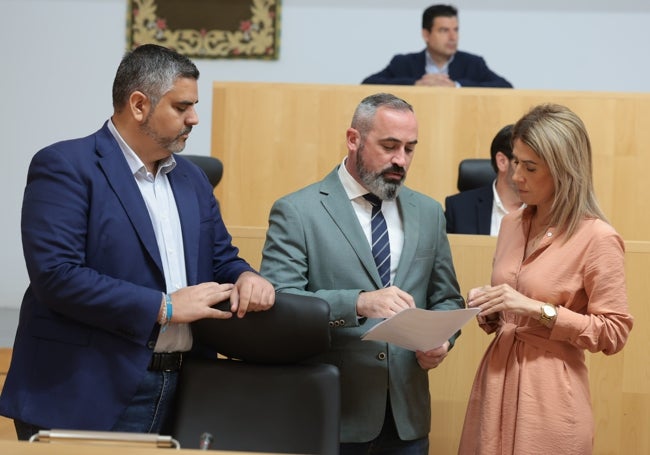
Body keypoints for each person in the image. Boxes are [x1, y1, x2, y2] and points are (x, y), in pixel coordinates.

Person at [0, 44, 275, 440]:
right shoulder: (66, 166)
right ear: (139, 104)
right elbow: (57, 276)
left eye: (194, 106)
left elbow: (220, 258)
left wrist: (247, 275)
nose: (194, 118)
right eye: (182, 107)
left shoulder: (193, 178)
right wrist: (163, 306)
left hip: (184, 387)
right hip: (85, 388)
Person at [260, 92, 465, 454]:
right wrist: (360, 303)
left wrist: (443, 340)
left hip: (407, 421)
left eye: (409, 148)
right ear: (353, 139)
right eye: (389, 146)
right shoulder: (298, 211)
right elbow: (282, 302)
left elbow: (446, 297)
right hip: (332, 414)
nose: (400, 160)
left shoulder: (429, 213)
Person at [458, 104, 634, 454]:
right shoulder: (511, 224)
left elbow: (614, 332)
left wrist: (538, 310)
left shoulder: (598, 237)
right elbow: (511, 307)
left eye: (530, 167)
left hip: (551, 393)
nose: (515, 176)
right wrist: (491, 309)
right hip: (495, 381)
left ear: (564, 171)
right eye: (516, 161)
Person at [362, 4, 512, 88]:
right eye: (444, 30)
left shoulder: (473, 63)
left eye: (456, 30)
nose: (453, 37)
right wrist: (415, 84)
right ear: (426, 34)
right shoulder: (403, 63)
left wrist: (456, 86)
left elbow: (505, 87)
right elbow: (367, 84)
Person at [445, 124, 523, 235]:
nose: (530, 171)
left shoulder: (546, 211)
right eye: (522, 163)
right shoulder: (459, 209)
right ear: (502, 162)